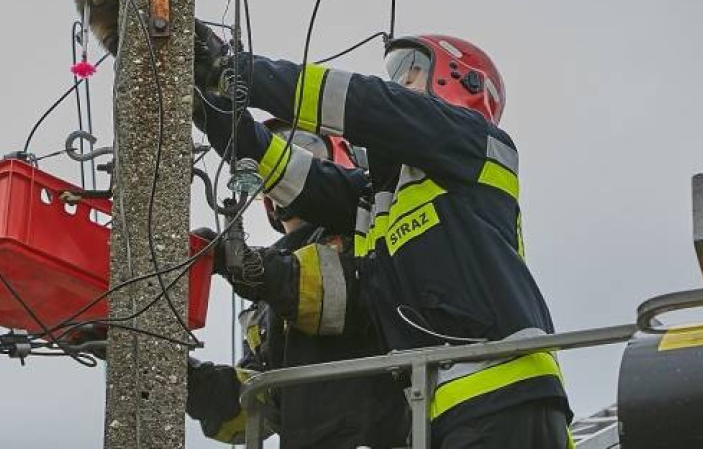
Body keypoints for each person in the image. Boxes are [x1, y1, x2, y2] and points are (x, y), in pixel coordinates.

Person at [194, 23, 573, 449]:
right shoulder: (381, 198)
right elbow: (294, 175)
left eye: (409, 73)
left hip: (504, 395)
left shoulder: (474, 145)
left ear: (460, 82)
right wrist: (204, 103)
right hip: (449, 410)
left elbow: (370, 106)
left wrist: (233, 68)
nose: (398, 84)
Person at [186, 113, 410, 448]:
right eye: (271, 160)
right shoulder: (267, 282)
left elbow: (338, 297)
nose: (283, 167)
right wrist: (179, 373)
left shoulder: (368, 232)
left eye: (305, 147)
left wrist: (245, 266)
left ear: (344, 159)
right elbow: (254, 406)